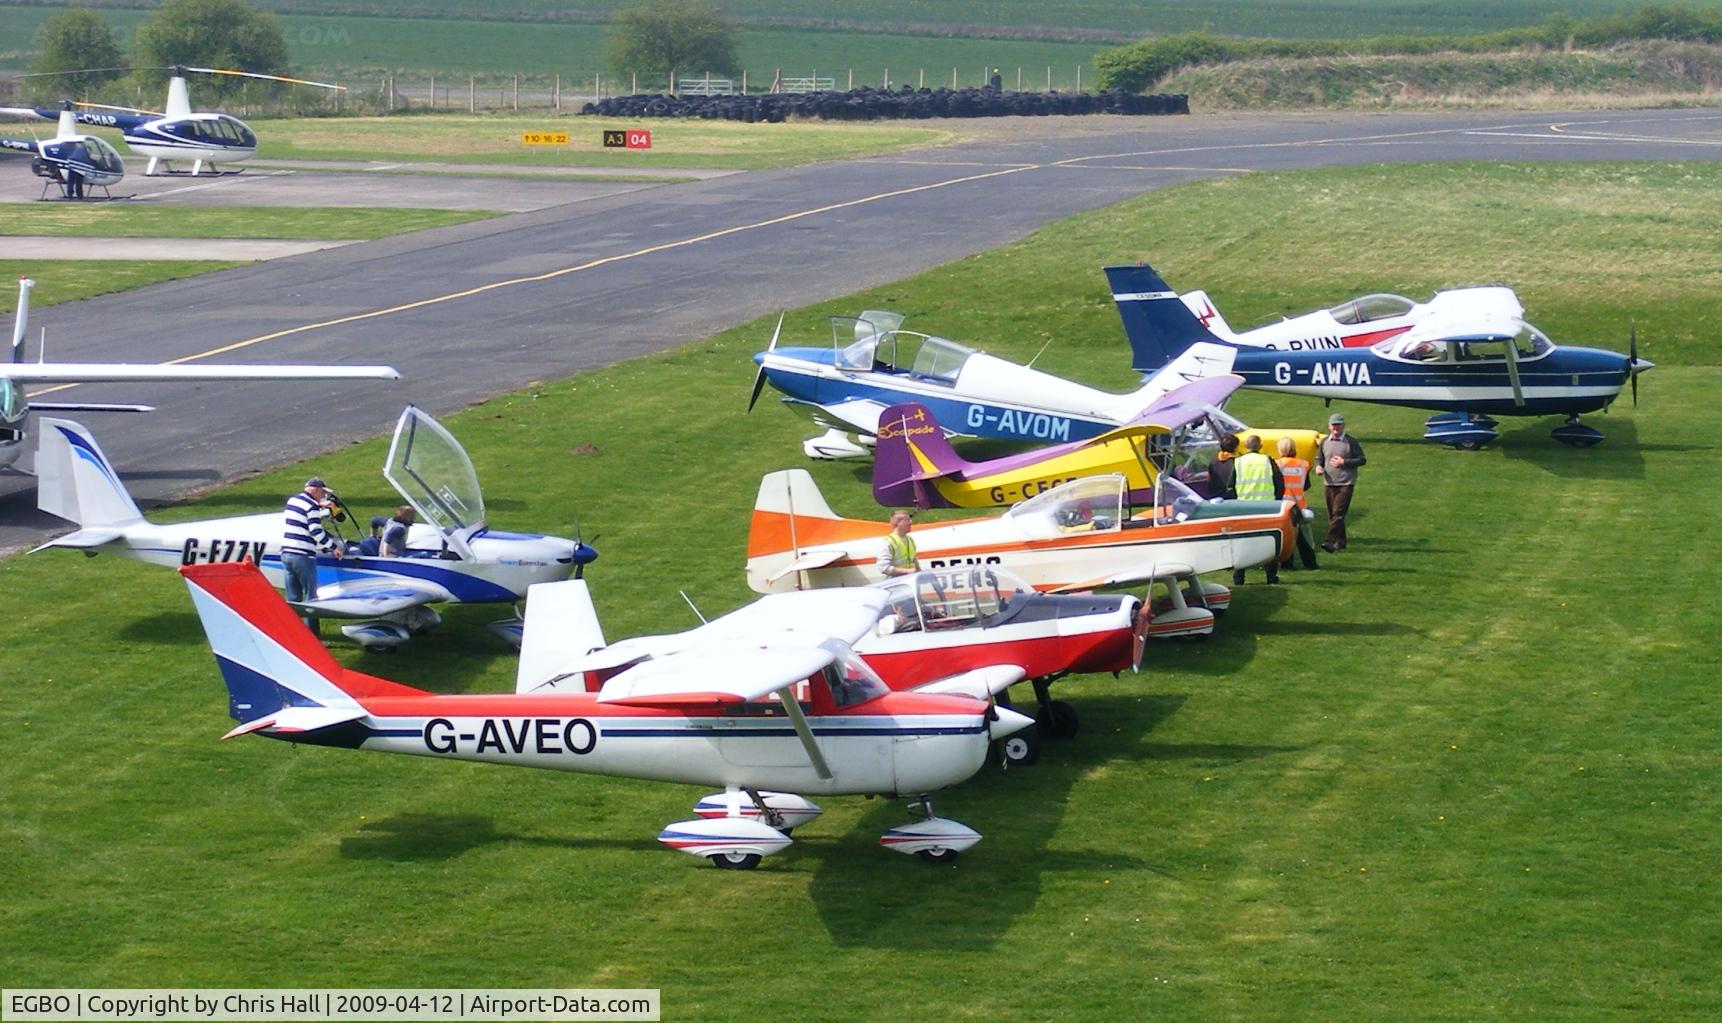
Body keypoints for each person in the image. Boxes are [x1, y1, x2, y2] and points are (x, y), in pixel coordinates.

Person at [282, 475, 344, 632]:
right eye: (322, 492)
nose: (323, 495)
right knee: (312, 599)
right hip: (303, 555)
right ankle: (313, 637)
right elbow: (316, 531)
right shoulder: (312, 507)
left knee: (293, 598)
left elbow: (303, 516)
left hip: (286, 553)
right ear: (316, 490)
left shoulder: (293, 501)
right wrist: (332, 547)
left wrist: (320, 505)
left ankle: (293, 633)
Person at [1231, 434, 1283, 585]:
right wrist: (1276, 500)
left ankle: (1239, 577)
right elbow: (1279, 482)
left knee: (1242, 543)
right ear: (1260, 447)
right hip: (1266, 507)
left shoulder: (1238, 462)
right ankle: (1271, 577)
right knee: (1269, 543)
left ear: (1246, 446)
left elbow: (1230, 485)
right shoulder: (1267, 460)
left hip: (1243, 508)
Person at [1314, 413, 1367, 553]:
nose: (1336, 428)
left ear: (1343, 425)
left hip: (1346, 483)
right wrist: (1319, 467)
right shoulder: (1325, 441)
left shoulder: (1351, 442)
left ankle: (1329, 541)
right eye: (1334, 425)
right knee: (1333, 514)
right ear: (1329, 426)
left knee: (1338, 513)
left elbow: (1362, 459)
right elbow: (1320, 459)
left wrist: (1344, 462)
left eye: (1339, 425)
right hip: (1329, 482)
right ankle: (1341, 542)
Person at [1276, 436, 1320, 570]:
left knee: (1288, 536)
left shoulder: (1277, 464)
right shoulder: (1303, 464)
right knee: (1304, 537)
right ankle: (1311, 563)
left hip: (1283, 505)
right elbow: (1306, 485)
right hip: (1299, 503)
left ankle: (1287, 564)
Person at [877, 510, 919, 577]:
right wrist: (909, 571)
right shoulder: (888, 542)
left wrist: (919, 573)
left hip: (910, 583)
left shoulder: (910, 540)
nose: (911, 522)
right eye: (907, 520)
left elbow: (914, 561)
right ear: (898, 523)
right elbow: (883, 568)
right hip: (896, 584)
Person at [1207, 433, 1241, 499]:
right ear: (1236, 447)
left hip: (1215, 496)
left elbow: (1209, 479)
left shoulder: (1213, 461)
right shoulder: (1238, 462)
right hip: (1231, 497)